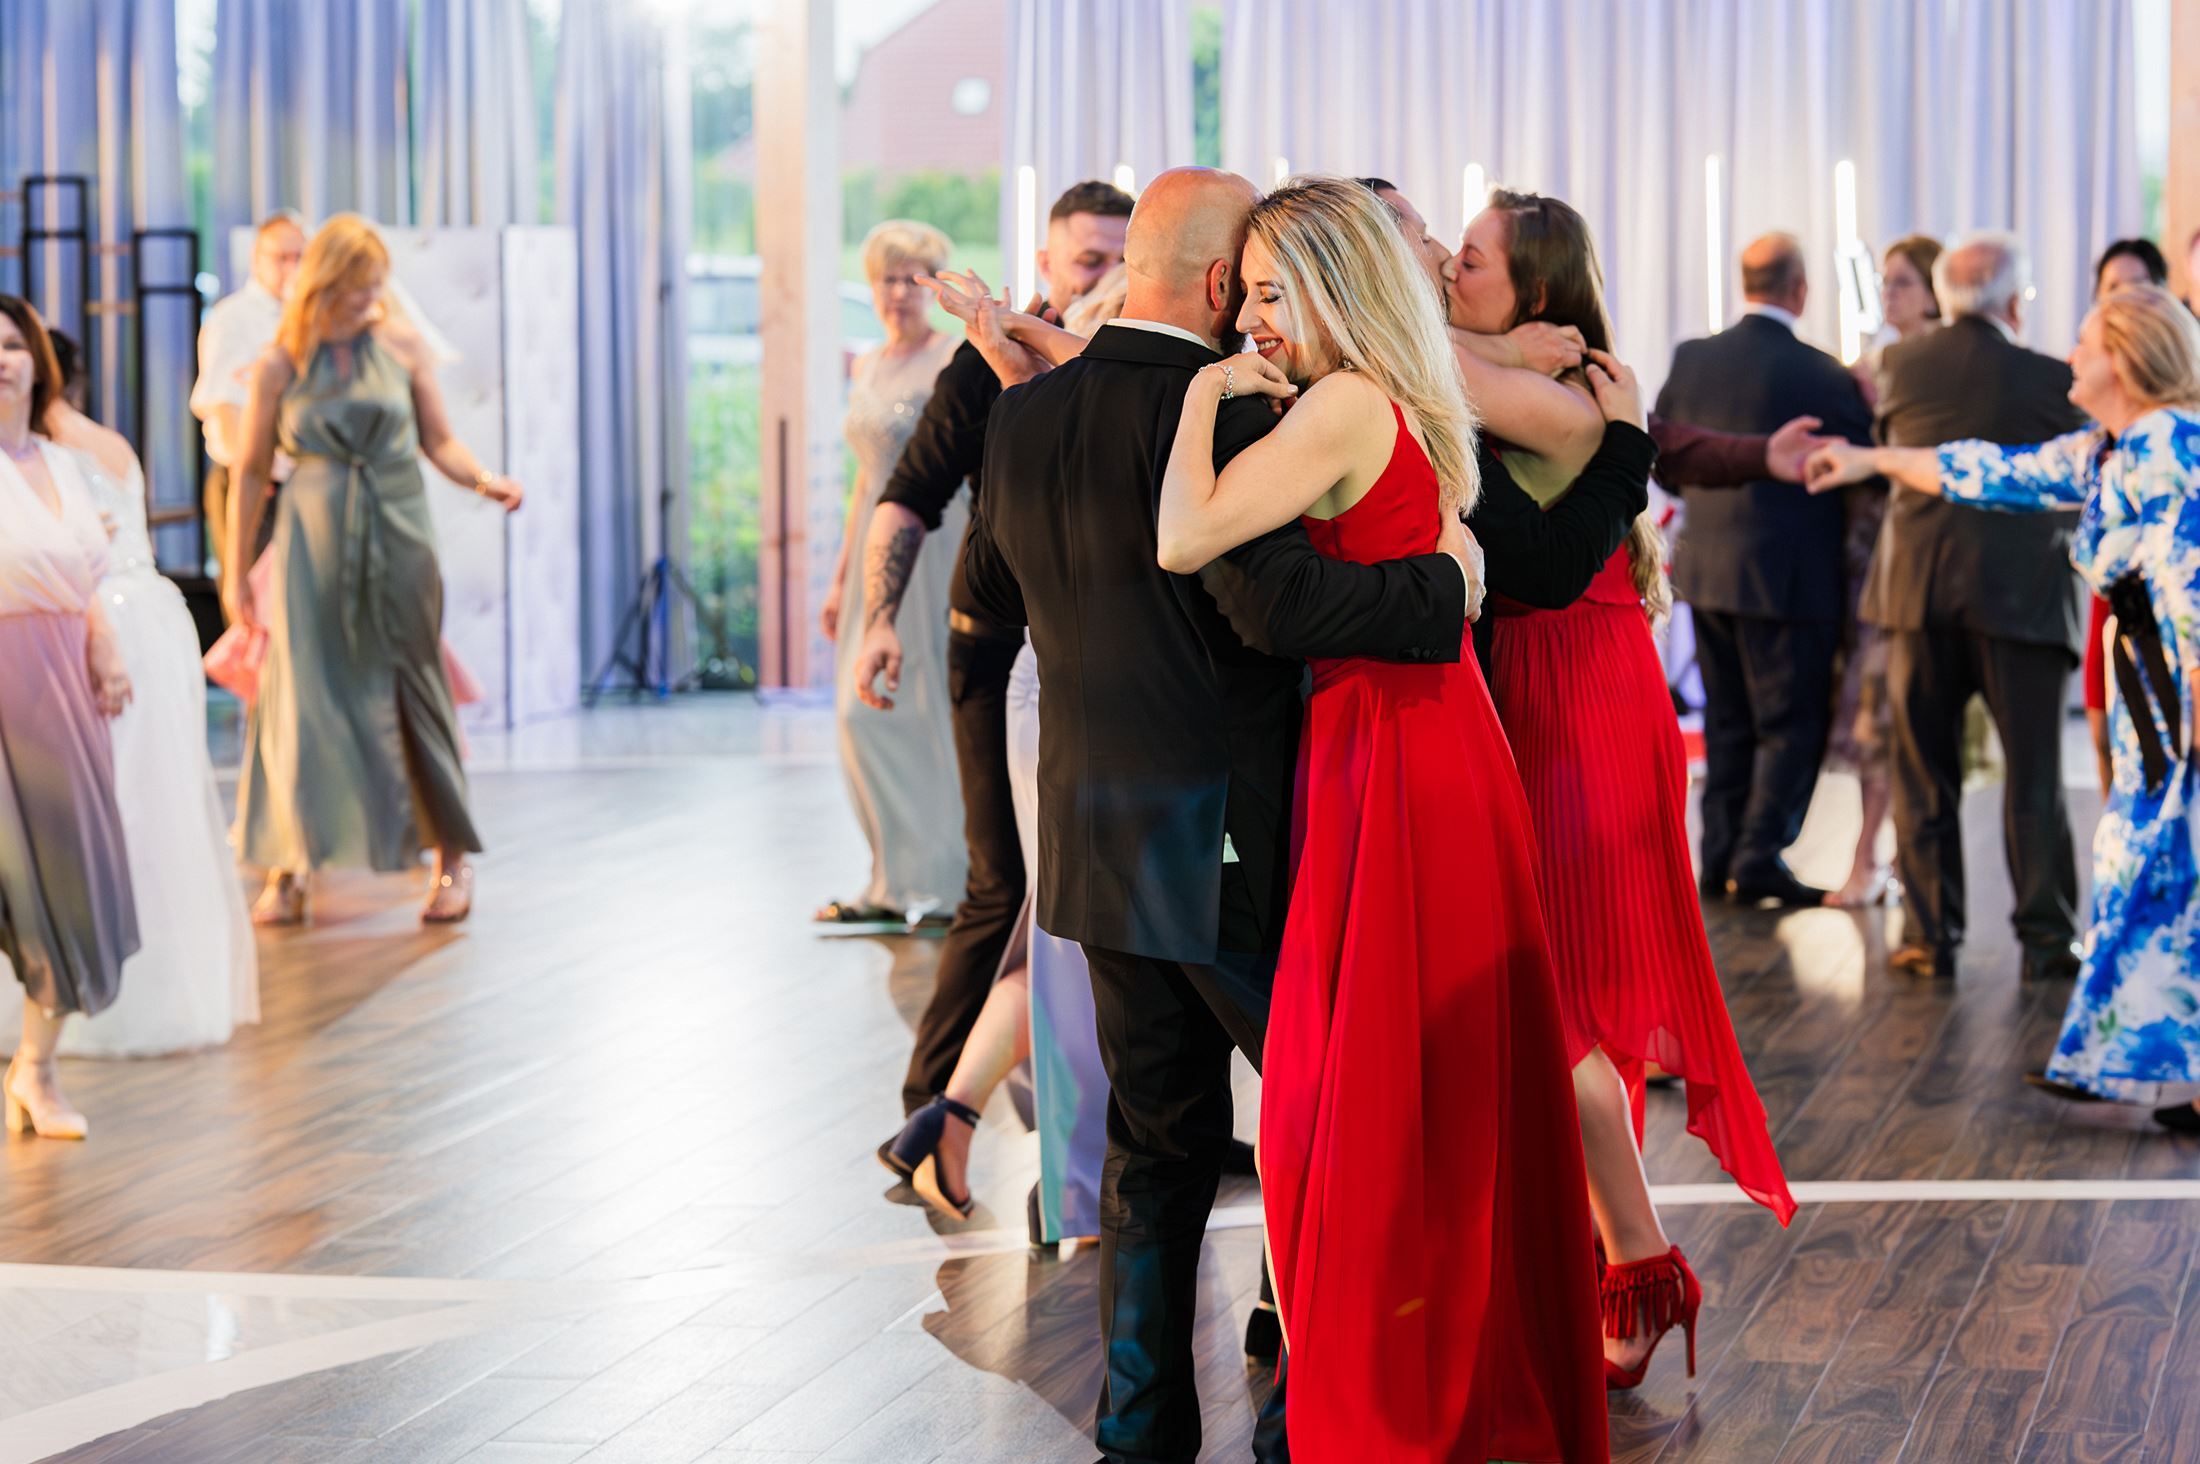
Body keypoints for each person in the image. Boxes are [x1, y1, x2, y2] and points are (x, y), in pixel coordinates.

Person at [959, 166, 1522, 1462]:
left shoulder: (1025, 414)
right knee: (1326, 1126)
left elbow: (995, 587)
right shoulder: (1233, 410)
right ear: (1220, 283)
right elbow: (1276, 610)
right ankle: (1304, 1422)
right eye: (1253, 287)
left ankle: (1139, 1431)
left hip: (1090, 837)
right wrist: (1443, 592)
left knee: (1153, 1146)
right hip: (1222, 838)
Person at [1440, 187, 1795, 1389]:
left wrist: (1502, 355)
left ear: (1534, 292)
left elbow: (1407, 350)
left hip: (1573, 697)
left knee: (1557, 998)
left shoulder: (1556, 392)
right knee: (1559, 990)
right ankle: (1599, 1262)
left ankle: (1638, 1263)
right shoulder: (1542, 373)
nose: (1448, 271)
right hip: (1544, 685)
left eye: (1470, 259)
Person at [1807, 285, 2200, 1132]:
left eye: (2087, 343)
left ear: (2128, 361)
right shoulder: (2109, 448)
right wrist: (1874, 461)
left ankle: (2131, 1061)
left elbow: (2191, 580)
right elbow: (1986, 471)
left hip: (2178, 693)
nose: (2071, 356)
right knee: (2152, 865)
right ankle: (2123, 1059)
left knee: (2168, 863)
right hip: (2152, 689)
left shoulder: (2168, 443)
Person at [848, 181, 1132, 1129]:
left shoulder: (1136, 359)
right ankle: (931, 1105)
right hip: (995, 649)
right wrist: (878, 619)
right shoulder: (985, 361)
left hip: (1091, 663)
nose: (1108, 274)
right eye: (1090, 259)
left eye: (1124, 258)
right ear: (1046, 264)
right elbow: (908, 492)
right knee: (1000, 882)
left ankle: (1107, 1118)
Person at [228, 215, 523, 926]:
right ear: (324, 283)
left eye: (375, 285)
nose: (369, 299)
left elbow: (440, 442)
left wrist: (486, 481)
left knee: (414, 685)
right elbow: (249, 472)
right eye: (356, 286)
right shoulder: (279, 362)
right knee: (301, 694)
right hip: (312, 537)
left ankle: (450, 857)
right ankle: (289, 864)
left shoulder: (402, 344)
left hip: (398, 529)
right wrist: (235, 573)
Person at [1860, 232, 2089, 980]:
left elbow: (1891, 452)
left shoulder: (1899, 366)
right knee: (2034, 776)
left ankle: (1930, 936)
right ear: (2015, 304)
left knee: (1923, 773)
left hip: (1917, 591)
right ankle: (2047, 941)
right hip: (2022, 597)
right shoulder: (2054, 378)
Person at [36, 332, 259, 1058]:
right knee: (155, 799)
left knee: (100, 804)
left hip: (99, 624)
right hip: (155, 617)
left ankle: (98, 988)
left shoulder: (43, 455)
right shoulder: (111, 443)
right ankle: (158, 982)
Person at [1657, 232, 1876, 908]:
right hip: (1791, 578)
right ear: (1800, 289)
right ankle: (1758, 856)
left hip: (1709, 572)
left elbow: (1665, 458)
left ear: (1745, 281)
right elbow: (1865, 471)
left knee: (1727, 720)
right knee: (1790, 723)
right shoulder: (1826, 376)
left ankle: (1718, 856)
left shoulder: (1693, 358)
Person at [0, 297, 136, 1138]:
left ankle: (36, 1069)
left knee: (69, 884)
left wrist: (104, 645)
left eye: (13, 344)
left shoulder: (60, 461)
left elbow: (88, 576)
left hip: (60, 691)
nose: (0, 359)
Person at [815, 220, 966, 927]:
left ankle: (952, 883)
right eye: (886, 278)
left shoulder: (953, 357)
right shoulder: (866, 364)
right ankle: (889, 879)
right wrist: (842, 576)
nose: (898, 291)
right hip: (879, 558)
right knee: (862, 717)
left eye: (912, 278)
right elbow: (865, 483)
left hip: (938, 541)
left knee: (934, 712)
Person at [1825, 234, 1944, 908]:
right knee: (1875, 711)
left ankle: (1889, 858)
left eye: (1903, 281)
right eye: (1886, 280)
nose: (1890, 292)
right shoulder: (1869, 369)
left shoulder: (1940, 372)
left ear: (1933, 292)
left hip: (1924, 557)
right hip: (1870, 559)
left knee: (1909, 715)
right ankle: (1869, 855)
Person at [2078, 239, 2176, 797]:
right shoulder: (2097, 394)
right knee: (2103, 734)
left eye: (2137, 285)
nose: (2125, 298)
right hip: (2116, 597)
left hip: (2174, 606)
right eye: (2113, 288)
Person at [193, 211, 305, 605]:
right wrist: (255, 476)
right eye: (281, 258)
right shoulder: (232, 318)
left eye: (300, 257)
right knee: (255, 606)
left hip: (296, 485)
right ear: (257, 259)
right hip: (252, 483)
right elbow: (224, 409)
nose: (291, 268)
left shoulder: (307, 319)